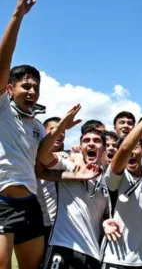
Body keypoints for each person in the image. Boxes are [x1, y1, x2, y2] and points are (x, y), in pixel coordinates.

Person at [0, 0, 46, 269]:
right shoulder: (2, 108)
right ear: (9, 88)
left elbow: (42, 168)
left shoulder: (38, 126)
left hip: (29, 206)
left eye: (35, 87)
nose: (31, 91)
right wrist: (17, 17)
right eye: (25, 86)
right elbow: (3, 62)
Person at [37, 105, 109, 269]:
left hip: (93, 254)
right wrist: (61, 127)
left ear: (104, 149)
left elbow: (105, 216)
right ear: (80, 147)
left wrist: (106, 222)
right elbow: (42, 155)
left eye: (96, 141)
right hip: (63, 246)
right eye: (86, 141)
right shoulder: (69, 164)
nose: (91, 144)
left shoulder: (107, 179)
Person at [102, 92, 142, 269]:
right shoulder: (115, 176)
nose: (131, 152)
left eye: (137, 147)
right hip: (115, 259)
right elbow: (125, 150)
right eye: (127, 150)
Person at [36, 117, 64, 252]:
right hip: (38, 221)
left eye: (63, 130)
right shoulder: (33, 157)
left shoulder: (68, 157)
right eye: (52, 129)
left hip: (61, 224)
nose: (59, 133)